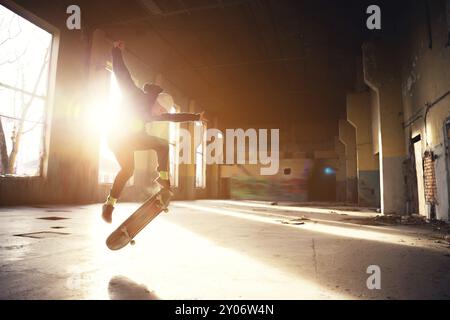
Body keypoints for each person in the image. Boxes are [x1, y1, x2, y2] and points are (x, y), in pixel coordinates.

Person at [102, 40, 206, 223]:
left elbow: (174, 117)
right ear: (156, 101)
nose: (160, 115)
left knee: (128, 170)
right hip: (117, 136)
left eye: (162, 113)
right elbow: (121, 75)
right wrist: (116, 52)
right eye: (159, 110)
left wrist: (196, 117)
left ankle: (109, 205)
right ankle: (163, 179)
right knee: (161, 145)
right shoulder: (135, 95)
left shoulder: (157, 112)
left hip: (130, 139)